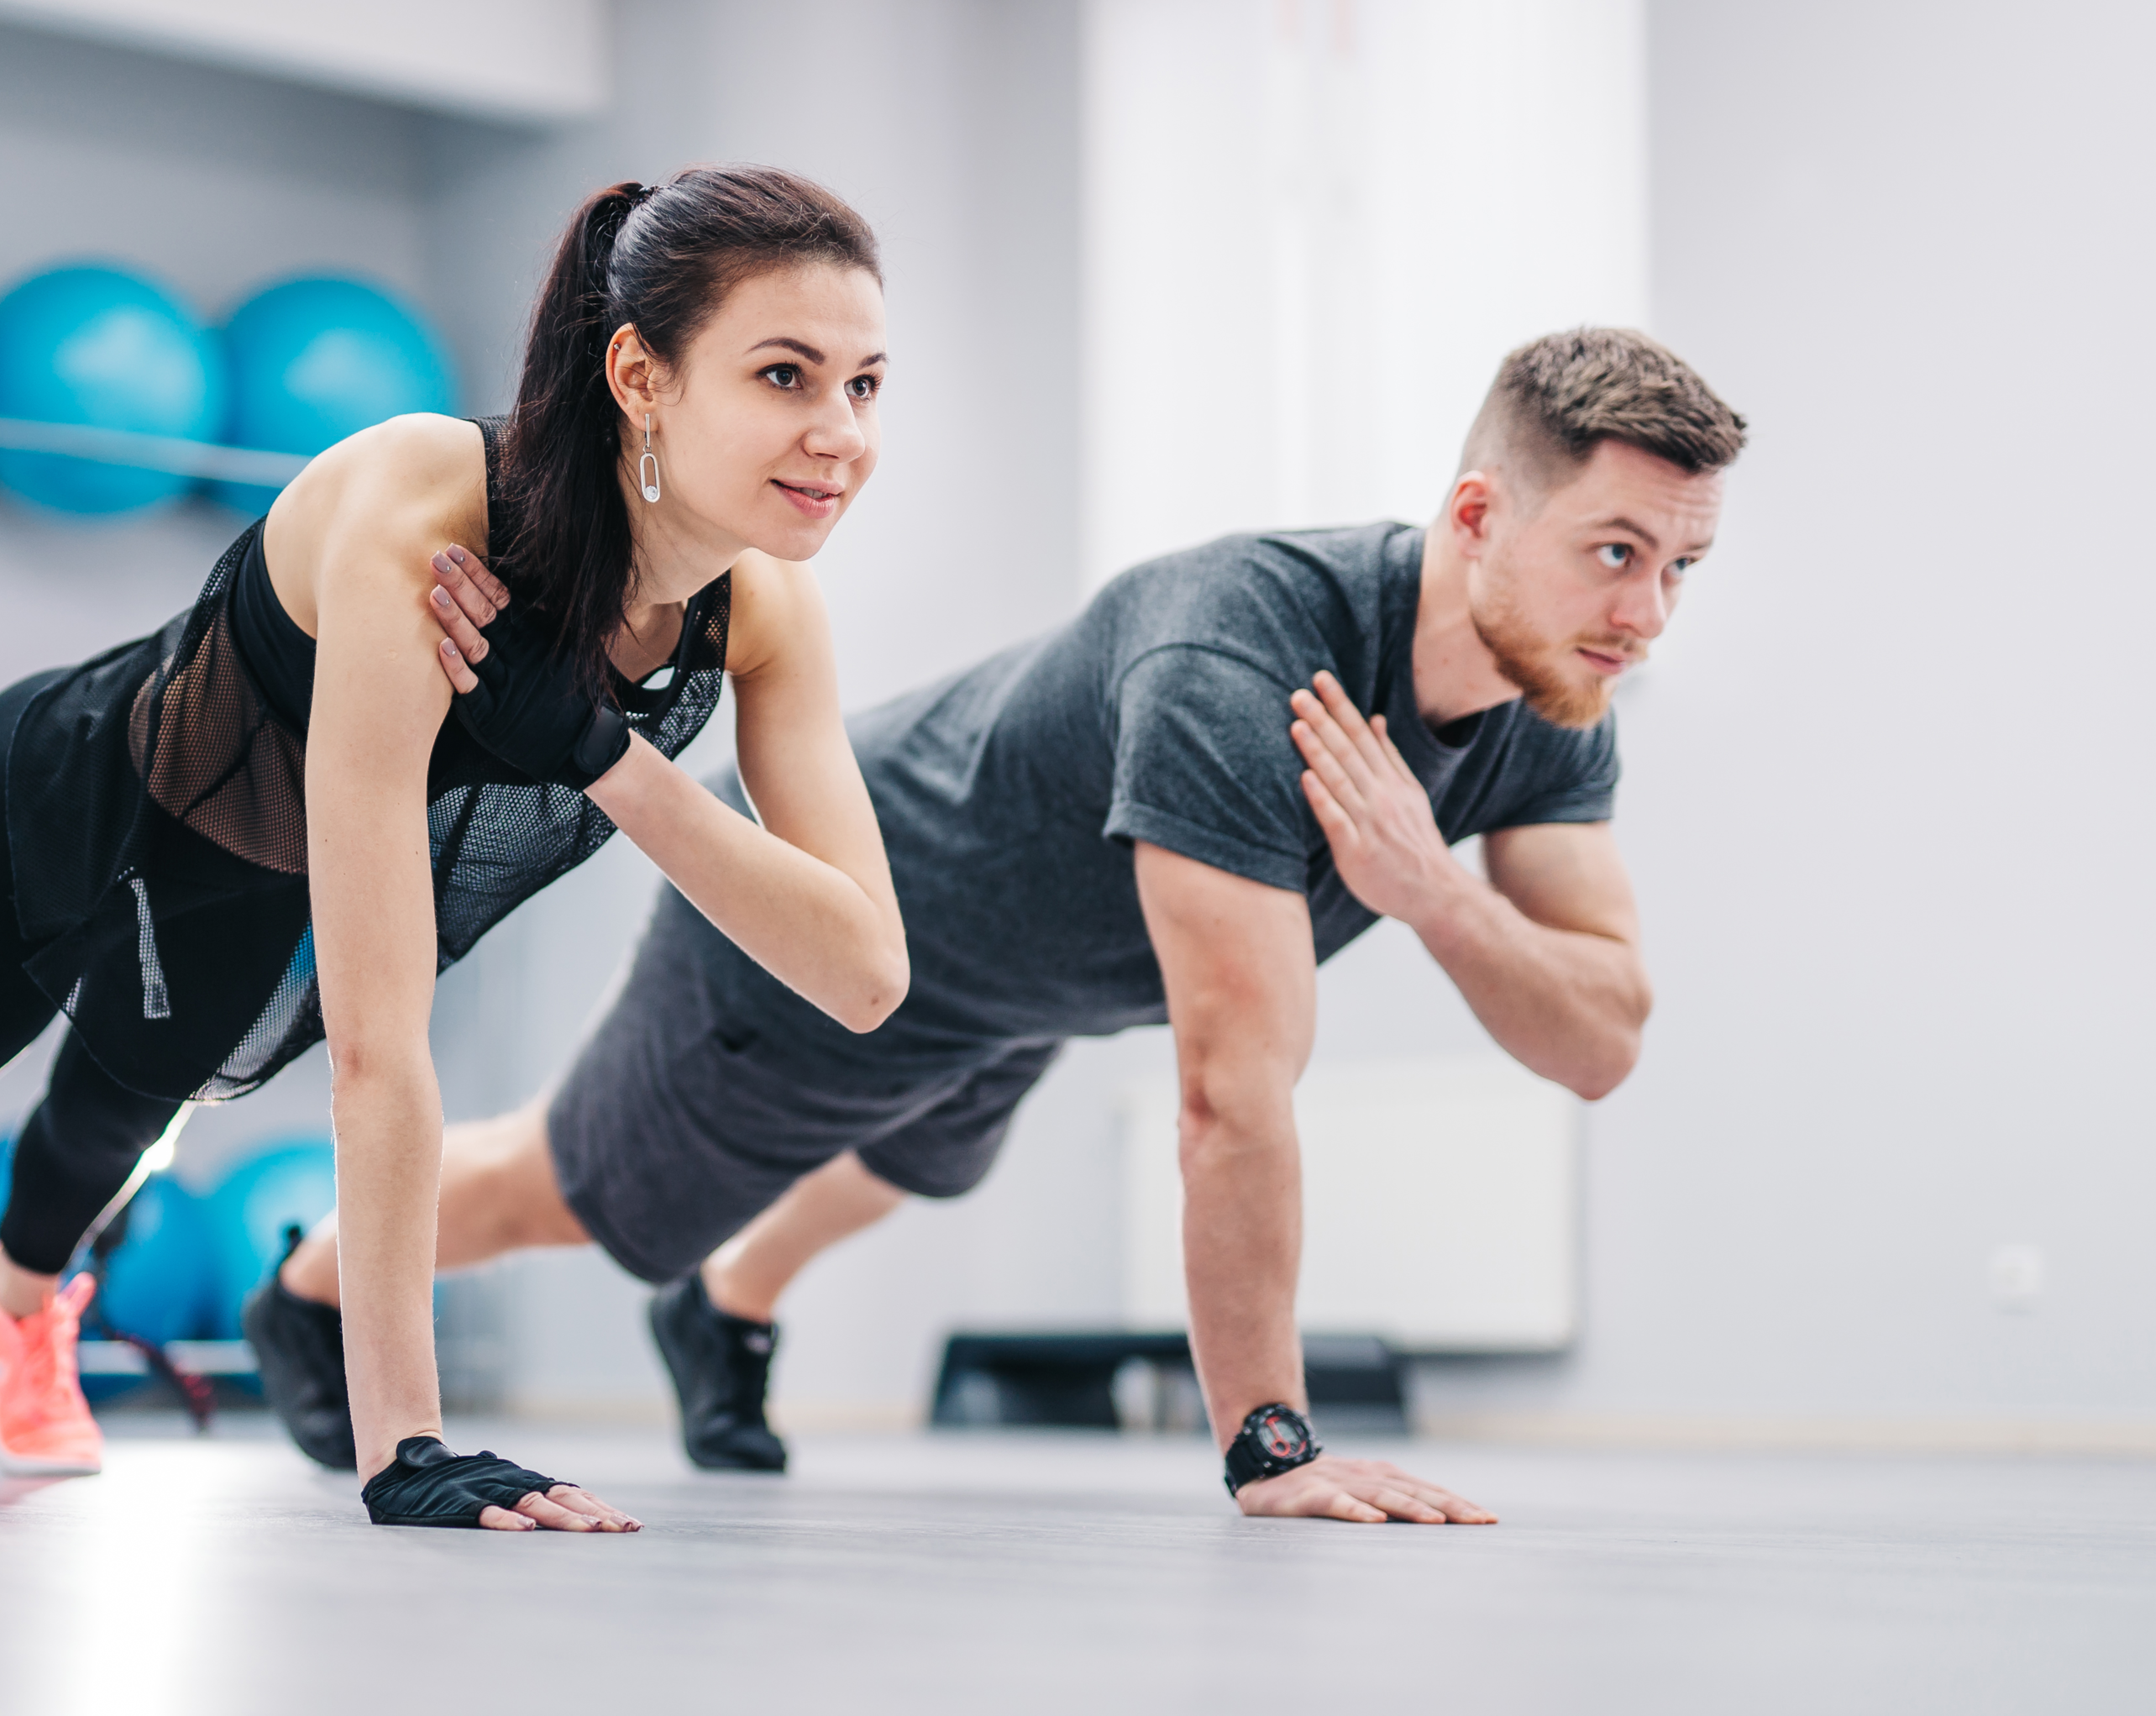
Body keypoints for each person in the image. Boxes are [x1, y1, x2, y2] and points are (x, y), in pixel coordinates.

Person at [0, 165, 911, 1534]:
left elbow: (862, 976)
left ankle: (11, 1308)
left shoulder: (764, 618)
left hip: (243, 882)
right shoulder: (430, 512)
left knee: (105, 1135)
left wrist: (603, 756)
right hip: (58, 803)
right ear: (640, 376)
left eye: (863, 384)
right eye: (783, 375)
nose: (838, 432)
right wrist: (407, 1449)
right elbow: (380, 1041)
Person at [260, 326, 1745, 1524]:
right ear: (1478, 514)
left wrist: (1427, 890)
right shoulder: (1237, 655)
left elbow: (1600, 1038)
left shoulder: (1551, 691)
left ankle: (727, 1310)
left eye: (1679, 567)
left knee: (919, 1160)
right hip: (838, 921)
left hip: (1035, 977)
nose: (1646, 613)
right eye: (1614, 552)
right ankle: (308, 1281)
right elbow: (1231, 1091)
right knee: (577, 1196)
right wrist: (1273, 1447)